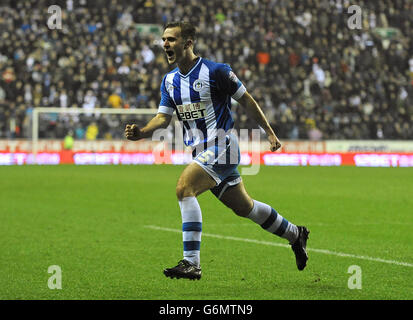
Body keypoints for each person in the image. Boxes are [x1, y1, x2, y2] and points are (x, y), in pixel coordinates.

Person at [125, 21, 309, 280]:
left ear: (188, 43)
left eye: (172, 39)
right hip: (201, 152)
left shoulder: (216, 72)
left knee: (183, 188)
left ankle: (192, 263)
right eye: (164, 39)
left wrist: (268, 132)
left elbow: (246, 99)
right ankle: (296, 234)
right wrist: (142, 132)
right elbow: (162, 118)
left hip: (222, 145)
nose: (165, 44)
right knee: (246, 208)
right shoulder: (169, 82)